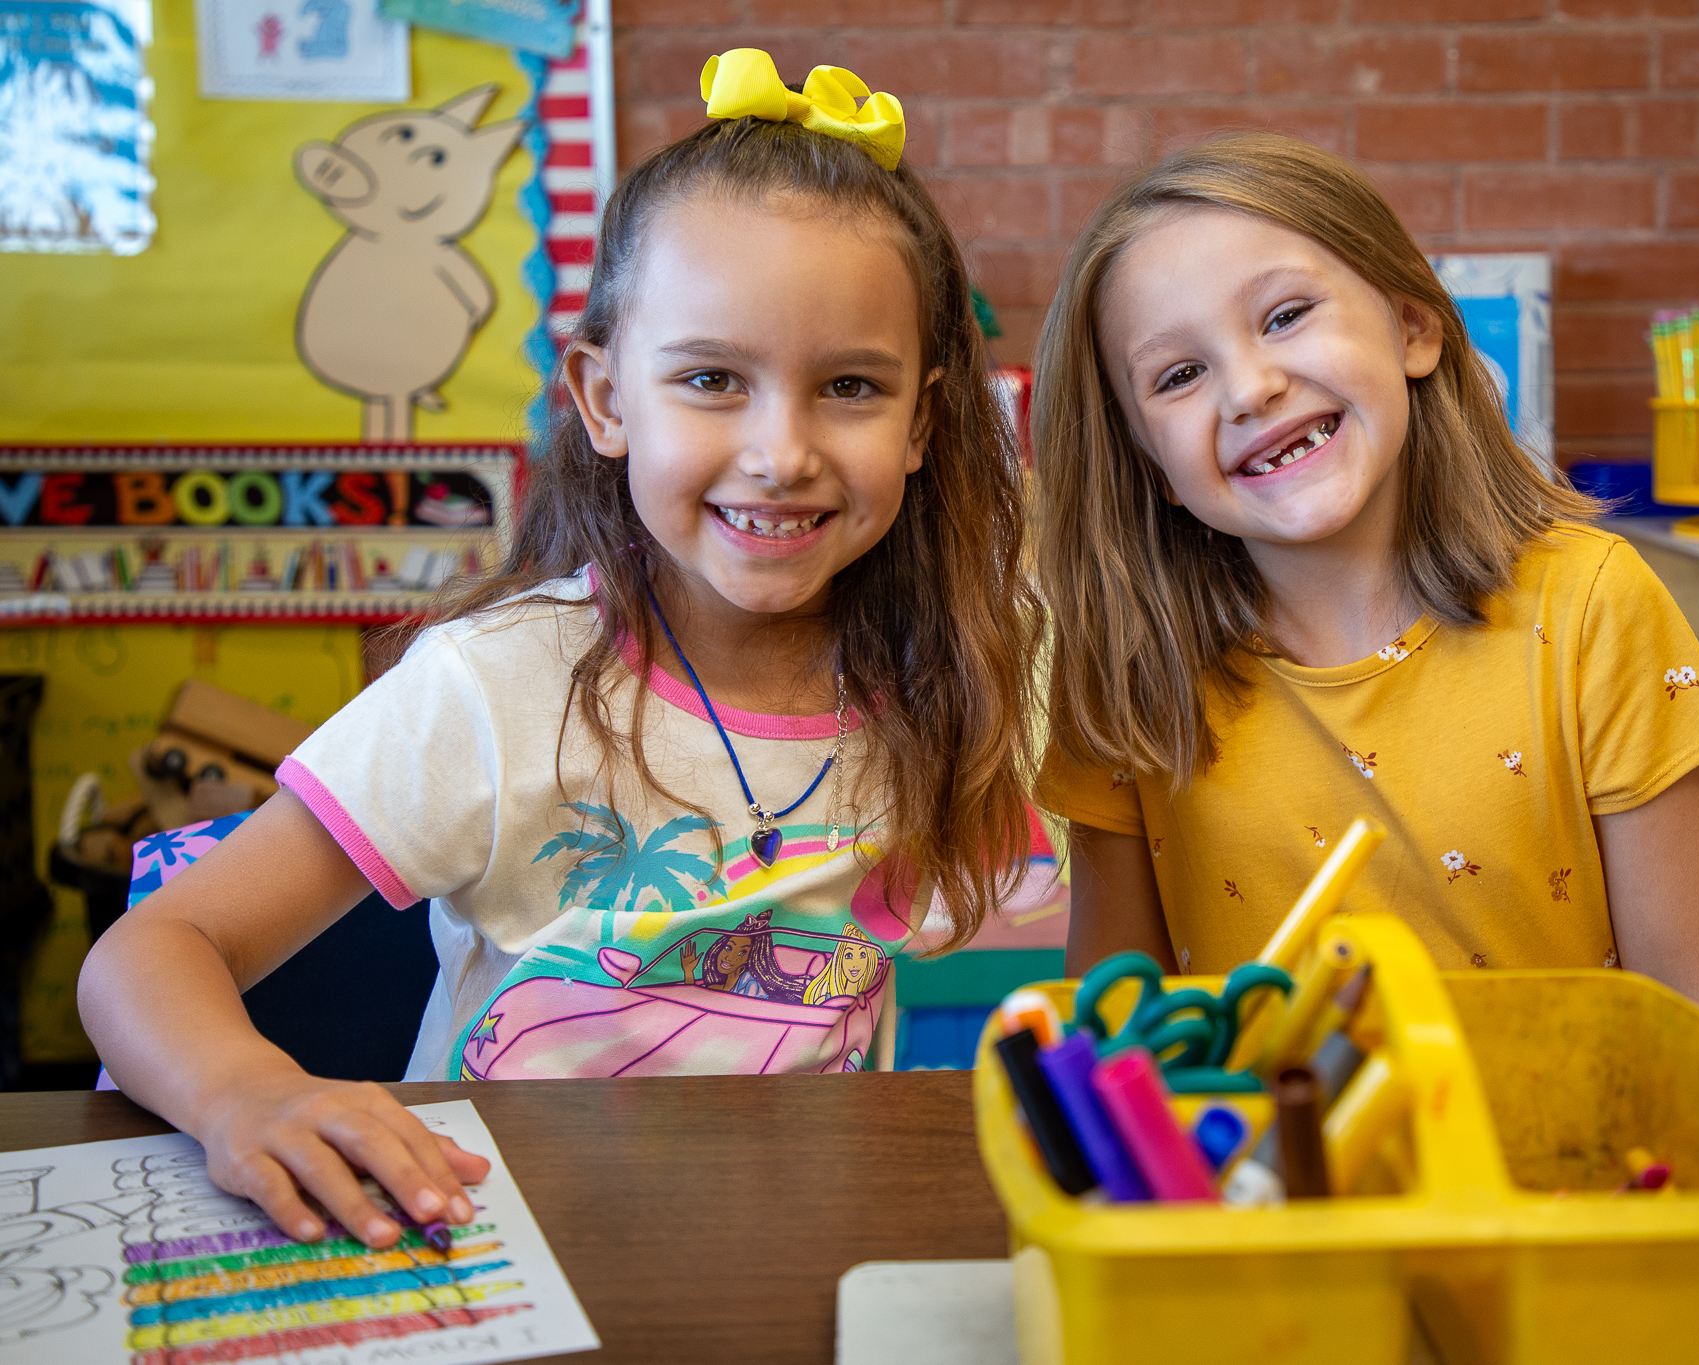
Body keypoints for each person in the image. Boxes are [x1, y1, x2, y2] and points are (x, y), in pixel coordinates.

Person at [79, 50, 1041, 1249]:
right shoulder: (492, 685)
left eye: (848, 385)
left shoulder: (945, 674)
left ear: (922, 423)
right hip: (497, 1243)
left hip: (796, 1254)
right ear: (603, 399)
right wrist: (245, 1092)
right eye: (709, 379)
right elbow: (152, 950)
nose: (781, 451)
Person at [1031, 133, 1699, 1053]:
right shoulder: (1128, 673)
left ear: (1414, 327)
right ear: (1150, 467)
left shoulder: (1593, 608)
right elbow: (1121, 1051)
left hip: (1563, 1178)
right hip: (1266, 1185)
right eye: (1180, 376)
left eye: (1286, 314)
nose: (1251, 388)